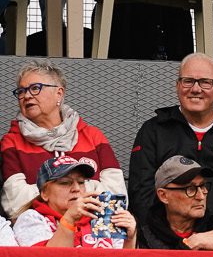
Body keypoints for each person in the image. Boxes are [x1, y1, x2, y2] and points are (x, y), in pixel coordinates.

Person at [126, 54, 213, 235]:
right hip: (164, 240)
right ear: (177, 86)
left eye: (205, 82)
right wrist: (172, 239)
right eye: (188, 81)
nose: (196, 89)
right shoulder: (153, 130)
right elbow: (140, 192)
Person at [3, 60, 124, 218]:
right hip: (40, 234)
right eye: (21, 91)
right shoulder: (12, 142)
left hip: (92, 234)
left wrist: (53, 191)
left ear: (59, 93)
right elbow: (16, 205)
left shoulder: (93, 136)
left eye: (34, 88)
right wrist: (92, 188)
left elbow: (117, 199)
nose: (26, 96)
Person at [12, 155, 136, 248]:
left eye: (81, 182)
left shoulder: (102, 216)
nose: (76, 189)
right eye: (65, 183)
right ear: (44, 193)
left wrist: (129, 239)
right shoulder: (32, 218)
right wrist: (69, 220)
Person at [136, 155, 213, 250]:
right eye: (190, 189)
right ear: (163, 196)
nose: (201, 196)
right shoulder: (143, 236)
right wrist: (189, 244)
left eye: (203, 186)